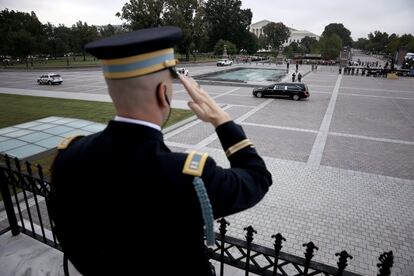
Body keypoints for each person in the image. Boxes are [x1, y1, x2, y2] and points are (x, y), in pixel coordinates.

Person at [48, 26, 272, 276]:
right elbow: (257, 178)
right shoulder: (188, 177)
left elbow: (69, 234)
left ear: (111, 90)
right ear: (163, 93)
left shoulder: (68, 156)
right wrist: (223, 121)